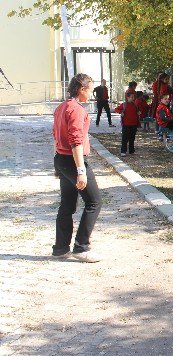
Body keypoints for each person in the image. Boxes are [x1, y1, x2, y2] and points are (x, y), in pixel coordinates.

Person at [52, 73, 102, 263]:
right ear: (82, 89)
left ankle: (60, 248)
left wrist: (57, 164)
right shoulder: (76, 109)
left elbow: (56, 136)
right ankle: (81, 247)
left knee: (67, 204)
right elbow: (75, 141)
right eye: (90, 89)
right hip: (73, 161)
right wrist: (81, 171)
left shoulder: (61, 107)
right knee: (94, 202)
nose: (91, 94)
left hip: (61, 159)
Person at [114, 91, 140, 156]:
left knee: (132, 138)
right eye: (131, 97)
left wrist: (139, 113)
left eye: (133, 97)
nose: (133, 98)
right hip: (126, 124)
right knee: (125, 138)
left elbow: (137, 111)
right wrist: (120, 112)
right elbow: (116, 109)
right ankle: (123, 151)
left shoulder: (135, 105)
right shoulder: (124, 105)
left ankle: (131, 151)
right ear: (127, 97)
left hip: (134, 124)